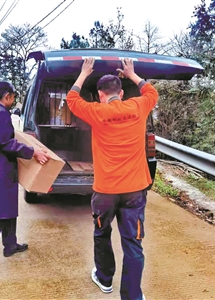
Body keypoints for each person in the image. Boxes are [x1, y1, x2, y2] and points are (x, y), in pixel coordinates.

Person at [66, 58, 158, 300]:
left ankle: (105, 279)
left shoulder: (97, 112)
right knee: (133, 245)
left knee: (102, 232)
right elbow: (151, 91)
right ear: (121, 92)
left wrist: (84, 72)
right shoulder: (138, 107)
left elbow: (71, 99)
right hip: (135, 191)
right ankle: (132, 297)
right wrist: (132, 73)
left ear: (100, 95)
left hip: (106, 192)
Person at [0, 81, 50, 267]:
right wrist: (33, 151)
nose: (13, 101)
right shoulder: (1, 114)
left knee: (7, 210)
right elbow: (7, 143)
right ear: (7, 96)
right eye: (13, 97)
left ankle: (10, 244)